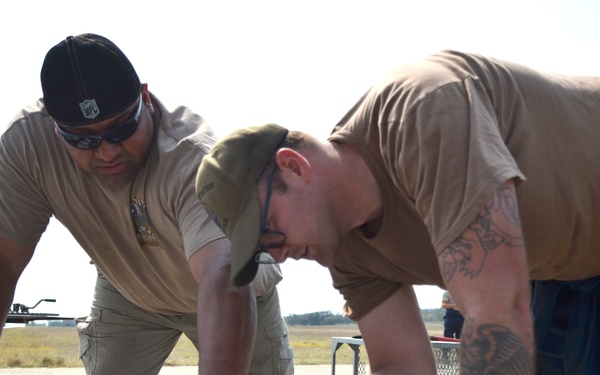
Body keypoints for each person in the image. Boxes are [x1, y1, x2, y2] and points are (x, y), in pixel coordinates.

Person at [196, 50, 600, 374]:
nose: (279, 253)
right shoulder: (342, 249)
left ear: (294, 167)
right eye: (263, 249)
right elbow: (400, 363)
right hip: (562, 276)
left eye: (268, 231)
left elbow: (496, 316)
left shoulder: (422, 115)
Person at [0, 33, 294, 375]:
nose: (107, 151)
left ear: (145, 98)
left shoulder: (194, 160)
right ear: (55, 127)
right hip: (130, 293)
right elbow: (4, 262)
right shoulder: (26, 148)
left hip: (232, 294)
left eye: (122, 128)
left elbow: (225, 275)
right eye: (83, 139)